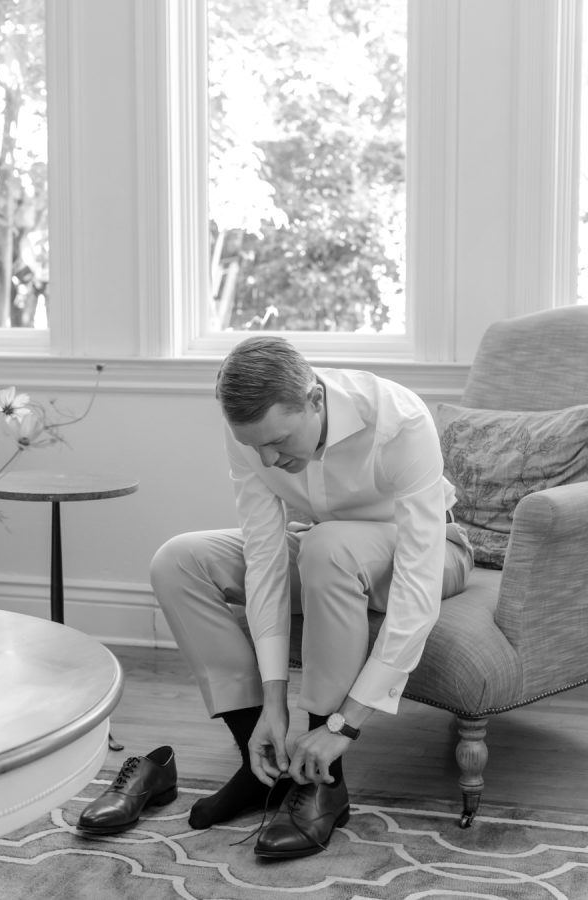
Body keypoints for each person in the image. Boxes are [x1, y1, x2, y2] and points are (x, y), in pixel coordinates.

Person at [149, 335, 473, 859]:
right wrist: (274, 700)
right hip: (324, 548)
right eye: (256, 447)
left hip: (434, 553)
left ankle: (324, 780)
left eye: (278, 441)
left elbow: (418, 584)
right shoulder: (252, 431)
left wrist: (345, 725)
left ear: (315, 400)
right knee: (179, 560)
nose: (267, 458)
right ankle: (263, 763)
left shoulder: (399, 419)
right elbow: (264, 558)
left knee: (327, 547)